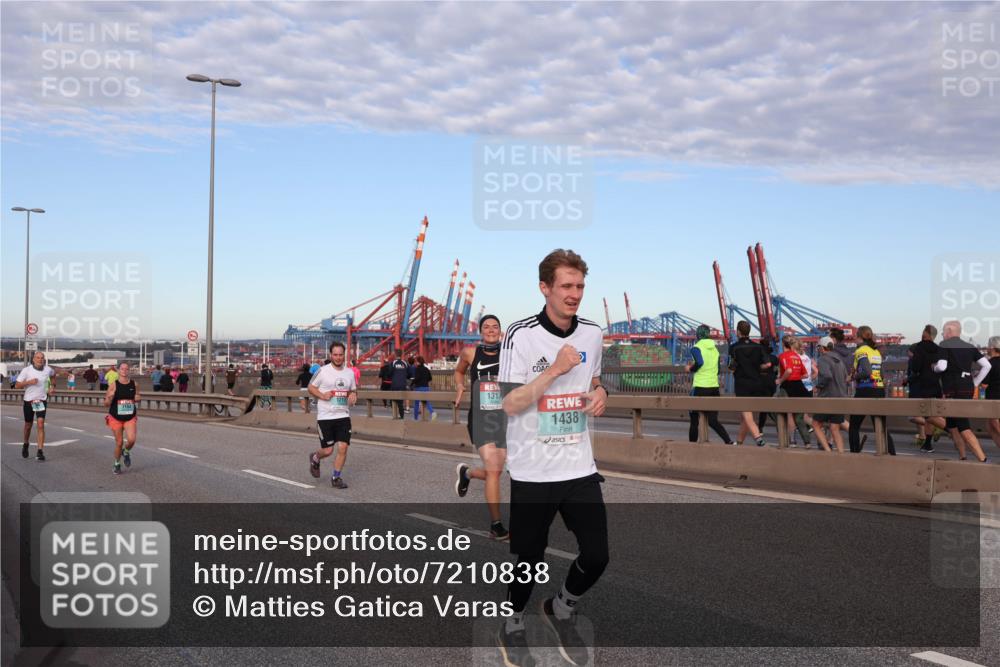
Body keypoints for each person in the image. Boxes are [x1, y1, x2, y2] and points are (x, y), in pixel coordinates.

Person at [497, 249, 609, 667]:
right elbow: (509, 403)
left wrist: (601, 394)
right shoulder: (521, 335)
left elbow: (595, 380)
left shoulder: (593, 333)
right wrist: (555, 371)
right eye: (566, 285)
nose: (574, 294)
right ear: (545, 288)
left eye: (580, 286)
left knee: (597, 555)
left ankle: (561, 606)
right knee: (528, 558)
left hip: (579, 465)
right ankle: (512, 621)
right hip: (532, 469)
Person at [454, 314, 509, 539]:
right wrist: (460, 386)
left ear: (500, 330)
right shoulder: (469, 353)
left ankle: (467, 473)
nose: (491, 330)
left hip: (503, 418)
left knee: (495, 471)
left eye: (495, 327)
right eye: (486, 327)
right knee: (495, 469)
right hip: (479, 417)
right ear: (480, 331)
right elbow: (458, 371)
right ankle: (496, 526)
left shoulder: (510, 353)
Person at [934, 320, 990, 462]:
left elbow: (942, 366)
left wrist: (933, 368)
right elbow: (987, 365)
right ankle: (962, 457)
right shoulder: (970, 347)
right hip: (967, 388)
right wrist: (975, 383)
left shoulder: (944, 345)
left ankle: (983, 460)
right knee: (952, 426)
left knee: (963, 427)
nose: (942, 334)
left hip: (953, 389)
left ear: (949, 332)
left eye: (943, 332)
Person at [308, 342, 358, 489]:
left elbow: (353, 390)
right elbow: (311, 387)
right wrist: (322, 395)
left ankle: (336, 477)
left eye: (340, 354)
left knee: (343, 447)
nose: (338, 357)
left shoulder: (349, 372)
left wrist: (353, 395)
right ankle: (316, 458)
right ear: (331, 355)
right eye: (335, 355)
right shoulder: (323, 371)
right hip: (325, 417)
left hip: (343, 415)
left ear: (344, 355)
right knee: (328, 450)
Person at [848, 326, 896, 455]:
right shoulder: (875, 352)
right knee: (880, 426)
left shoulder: (861, 351)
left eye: (855, 337)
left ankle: (854, 455)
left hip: (865, 390)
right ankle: (892, 454)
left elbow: (867, 372)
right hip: (879, 390)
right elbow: (880, 374)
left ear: (859, 337)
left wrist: (853, 377)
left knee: (854, 426)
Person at [686, 324, 733, 444]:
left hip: (700, 387)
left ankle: (691, 446)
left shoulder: (696, 348)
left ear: (697, 335)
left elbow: (700, 362)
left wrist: (690, 368)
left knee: (694, 419)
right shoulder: (715, 349)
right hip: (714, 388)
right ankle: (728, 441)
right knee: (712, 420)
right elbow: (717, 369)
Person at [727, 320, 768, 446]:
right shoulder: (758, 347)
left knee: (746, 412)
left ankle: (758, 438)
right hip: (757, 382)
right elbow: (766, 364)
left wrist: (735, 368)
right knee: (746, 415)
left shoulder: (734, 347)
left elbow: (732, 366)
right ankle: (739, 442)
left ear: (738, 332)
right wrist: (756, 368)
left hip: (742, 383)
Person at [907, 325, 947, 453]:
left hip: (922, 386)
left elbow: (916, 368)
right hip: (936, 386)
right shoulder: (939, 349)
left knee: (927, 416)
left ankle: (953, 429)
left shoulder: (919, 348)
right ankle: (928, 444)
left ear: (925, 333)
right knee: (931, 414)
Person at [16, 351, 55, 461]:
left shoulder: (48, 369)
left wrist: (52, 386)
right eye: (38, 358)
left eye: (42, 358)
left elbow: (53, 375)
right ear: (33, 359)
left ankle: (40, 451)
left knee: (40, 423)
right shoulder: (26, 370)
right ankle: (25, 443)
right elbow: (17, 385)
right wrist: (29, 382)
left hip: (41, 400)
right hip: (29, 401)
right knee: (28, 425)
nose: (40, 360)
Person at [813, 336, 848, 453]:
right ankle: (841, 453)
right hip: (841, 397)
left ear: (823, 348)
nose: (818, 350)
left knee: (816, 424)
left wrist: (818, 386)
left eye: (818, 347)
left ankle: (828, 451)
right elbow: (845, 378)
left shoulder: (823, 359)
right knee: (835, 428)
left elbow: (827, 376)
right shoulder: (839, 360)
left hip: (828, 397)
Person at [104, 362, 140, 475]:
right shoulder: (113, 385)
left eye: (126, 369)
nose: (124, 370)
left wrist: (138, 398)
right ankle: (116, 463)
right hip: (116, 417)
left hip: (130, 416)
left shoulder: (135, 384)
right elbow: (105, 403)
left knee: (132, 439)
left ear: (129, 371)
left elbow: (137, 396)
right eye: (122, 369)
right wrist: (109, 398)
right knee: (119, 443)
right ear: (118, 370)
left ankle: (126, 451)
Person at [776, 335, 812, 447]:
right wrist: (796, 377)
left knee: (779, 412)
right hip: (800, 387)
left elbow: (789, 370)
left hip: (787, 386)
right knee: (799, 417)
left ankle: (784, 441)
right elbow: (806, 374)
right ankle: (807, 442)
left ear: (783, 344)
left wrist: (780, 380)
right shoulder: (797, 356)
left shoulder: (783, 356)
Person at [983, 336, 1000, 450]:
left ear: (993, 348)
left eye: (988, 346)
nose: (987, 348)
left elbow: (984, 384)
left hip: (993, 398)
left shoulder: (989, 364)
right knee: (989, 427)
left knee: (993, 424)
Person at [411, 356, 436, 421]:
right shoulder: (426, 369)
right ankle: (432, 412)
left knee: (416, 403)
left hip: (419, 387)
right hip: (426, 387)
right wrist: (425, 380)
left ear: (418, 362)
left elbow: (417, 378)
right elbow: (430, 378)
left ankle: (415, 418)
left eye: (416, 361)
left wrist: (412, 382)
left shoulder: (417, 369)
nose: (415, 363)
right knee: (427, 402)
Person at [389, 350, 411, 419]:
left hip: (394, 384)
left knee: (393, 400)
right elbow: (409, 374)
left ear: (395, 355)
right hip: (402, 385)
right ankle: (401, 417)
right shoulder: (405, 363)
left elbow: (389, 373)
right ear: (401, 355)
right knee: (400, 402)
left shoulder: (393, 363)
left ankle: (395, 416)